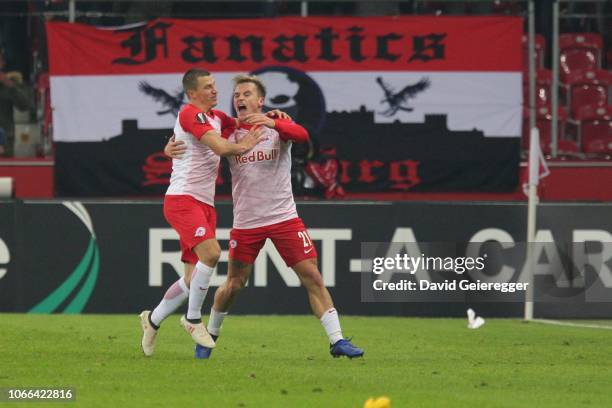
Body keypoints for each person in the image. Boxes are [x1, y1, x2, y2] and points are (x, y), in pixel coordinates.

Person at [166, 75, 364, 359]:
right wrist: (167, 148)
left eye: (246, 94)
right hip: (246, 223)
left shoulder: (278, 128)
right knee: (234, 283)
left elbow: (303, 136)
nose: (239, 99)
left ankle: (337, 340)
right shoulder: (227, 130)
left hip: (284, 217)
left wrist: (276, 122)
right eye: (236, 95)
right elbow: (191, 138)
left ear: (260, 100)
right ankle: (208, 337)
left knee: (311, 276)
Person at [139, 68, 265, 356]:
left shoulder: (217, 118)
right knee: (211, 254)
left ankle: (153, 320)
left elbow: (243, 121)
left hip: (204, 204)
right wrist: (243, 145)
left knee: (190, 278)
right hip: (183, 199)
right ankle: (193, 318)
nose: (215, 91)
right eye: (208, 87)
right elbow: (220, 146)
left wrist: (275, 117)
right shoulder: (189, 113)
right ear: (192, 94)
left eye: (214, 85)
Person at [0, 48, 32, 156]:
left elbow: (25, 105)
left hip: (4, 143)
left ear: (3, 63)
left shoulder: (9, 82)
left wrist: (9, 85)